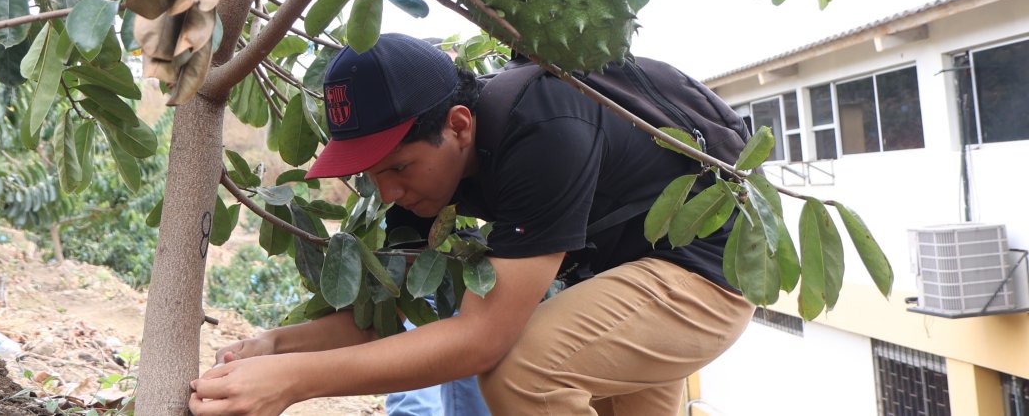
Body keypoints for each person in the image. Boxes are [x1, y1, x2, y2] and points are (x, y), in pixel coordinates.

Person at [190, 33, 755, 416]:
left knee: (522, 373)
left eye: (399, 167)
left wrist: (293, 385)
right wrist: (278, 348)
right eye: (371, 173)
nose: (386, 192)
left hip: (709, 269)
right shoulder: (423, 186)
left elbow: (482, 340)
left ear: (459, 126)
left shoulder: (543, 128)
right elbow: (390, 314)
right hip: (621, 280)